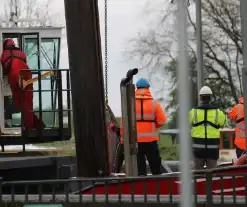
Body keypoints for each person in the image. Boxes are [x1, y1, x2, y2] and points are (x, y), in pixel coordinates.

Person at [120, 78, 167, 176]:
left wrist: (123, 137)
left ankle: (141, 189)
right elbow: (162, 121)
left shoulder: (130, 104)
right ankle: (157, 188)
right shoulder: (155, 104)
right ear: (148, 88)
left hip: (136, 141)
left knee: (140, 170)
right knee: (156, 169)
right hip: (151, 141)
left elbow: (123, 123)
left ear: (137, 88)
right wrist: (152, 125)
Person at [0, 39, 46, 131]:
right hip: (27, 73)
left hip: (15, 75)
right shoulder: (21, 53)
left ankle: (31, 126)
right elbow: (24, 63)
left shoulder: (3, 54)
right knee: (28, 102)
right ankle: (36, 125)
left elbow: (4, 68)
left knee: (19, 102)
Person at [189, 86, 228, 170]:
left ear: (200, 98)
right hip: (212, 149)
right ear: (210, 98)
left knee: (197, 175)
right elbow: (224, 123)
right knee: (212, 174)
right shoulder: (218, 113)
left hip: (197, 149)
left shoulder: (193, 112)